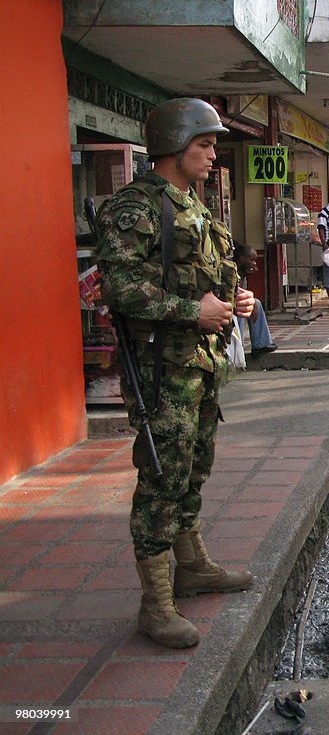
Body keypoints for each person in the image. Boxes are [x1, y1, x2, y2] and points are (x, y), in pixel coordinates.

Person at [94, 98, 255, 649]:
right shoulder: (135, 208)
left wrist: (236, 302)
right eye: (204, 145)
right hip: (162, 370)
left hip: (200, 364)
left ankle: (192, 567)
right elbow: (119, 288)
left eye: (212, 145)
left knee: (193, 467)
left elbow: (204, 277)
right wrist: (195, 313)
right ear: (174, 145)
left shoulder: (192, 206)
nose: (213, 155)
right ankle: (156, 604)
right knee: (161, 479)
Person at [233, 244, 277, 355]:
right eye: (251, 259)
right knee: (241, 306)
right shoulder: (230, 271)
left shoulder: (242, 273)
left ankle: (261, 344)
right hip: (227, 305)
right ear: (241, 258)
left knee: (255, 303)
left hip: (236, 302)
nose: (254, 263)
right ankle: (239, 348)